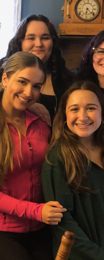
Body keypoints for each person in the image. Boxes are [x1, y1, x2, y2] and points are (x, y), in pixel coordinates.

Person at [0, 52, 66, 260]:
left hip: (41, 228)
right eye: (22, 82)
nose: (29, 92)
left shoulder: (41, 124)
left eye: (37, 86)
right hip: (1, 231)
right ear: (5, 79)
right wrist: (36, 211)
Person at [42, 81, 104, 259]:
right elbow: (62, 222)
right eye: (75, 109)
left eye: (91, 108)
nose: (83, 117)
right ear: (64, 114)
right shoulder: (57, 158)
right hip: (81, 253)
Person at [0, 15, 73, 123]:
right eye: (31, 38)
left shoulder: (67, 80)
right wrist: (24, 106)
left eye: (45, 38)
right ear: (20, 42)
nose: (39, 44)